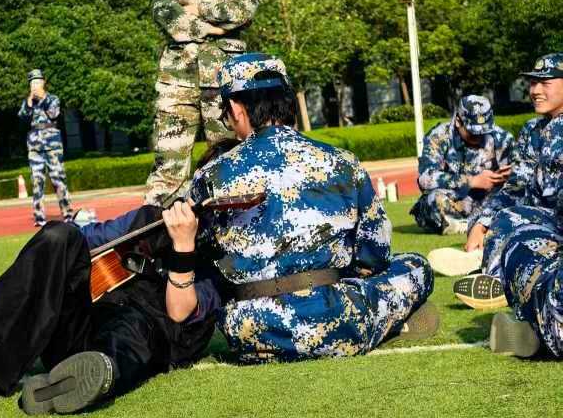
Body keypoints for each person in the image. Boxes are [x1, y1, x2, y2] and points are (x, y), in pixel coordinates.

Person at [190, 53, 438, 363]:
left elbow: (200, 253)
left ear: (236, 108)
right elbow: (375, 253)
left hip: (252, 330)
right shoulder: (342, 161)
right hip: (337, 321)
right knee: (415, 265)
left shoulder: (211, 175)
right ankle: (388, 319)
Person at [0, 200, 221, 414]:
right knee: (59, 235)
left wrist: (184, 247)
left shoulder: (217, 264)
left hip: (133, 342)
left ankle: (81, 379)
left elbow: (180, 313)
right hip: (80, 325)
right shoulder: (150, 219)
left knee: (135, 327)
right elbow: (82, 238)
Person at [145, 0, 263, 206]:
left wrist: (198, 8)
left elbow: (244, 12)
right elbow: (163, 10)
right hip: (177, 79)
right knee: (168, 169)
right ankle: (159, 232)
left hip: (227, 81)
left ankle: (233, 232)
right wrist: (213, 28)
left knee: (231, 164)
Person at [444, 53, 563, 321]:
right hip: (546, 221)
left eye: (545, 83)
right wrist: (482, 222)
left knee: (515, 227)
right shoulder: (533, 131)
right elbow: (516, 186)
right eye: (532, 83)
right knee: (501, 216)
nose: (535, 90)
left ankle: (496, 272)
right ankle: (491, 272)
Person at [411, 96, 514, 240]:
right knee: (433, 200)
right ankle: (470, 225)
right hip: (456, 199)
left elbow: (518, 174)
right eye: (473, 132)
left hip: (489, 200)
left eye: (483, 131)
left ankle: (480, 222)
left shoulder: (501, 137)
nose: (479, 136)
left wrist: (504, 177)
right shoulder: (439, 136)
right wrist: (471, 181)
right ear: (458, 121)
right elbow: (426, 178)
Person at [18, 69, 74, 228]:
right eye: (32, 83)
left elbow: (54, 113)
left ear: (43, 83)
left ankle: (68, 214)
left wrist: (42, 98)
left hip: (52, 145)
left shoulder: (52, 99)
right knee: (37, 182)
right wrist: (29, 103)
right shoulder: (28, 103)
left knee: (58, 180)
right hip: (34, 146)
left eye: (37, 82)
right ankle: (39, 217)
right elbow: (22, 118)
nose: (34, 85)